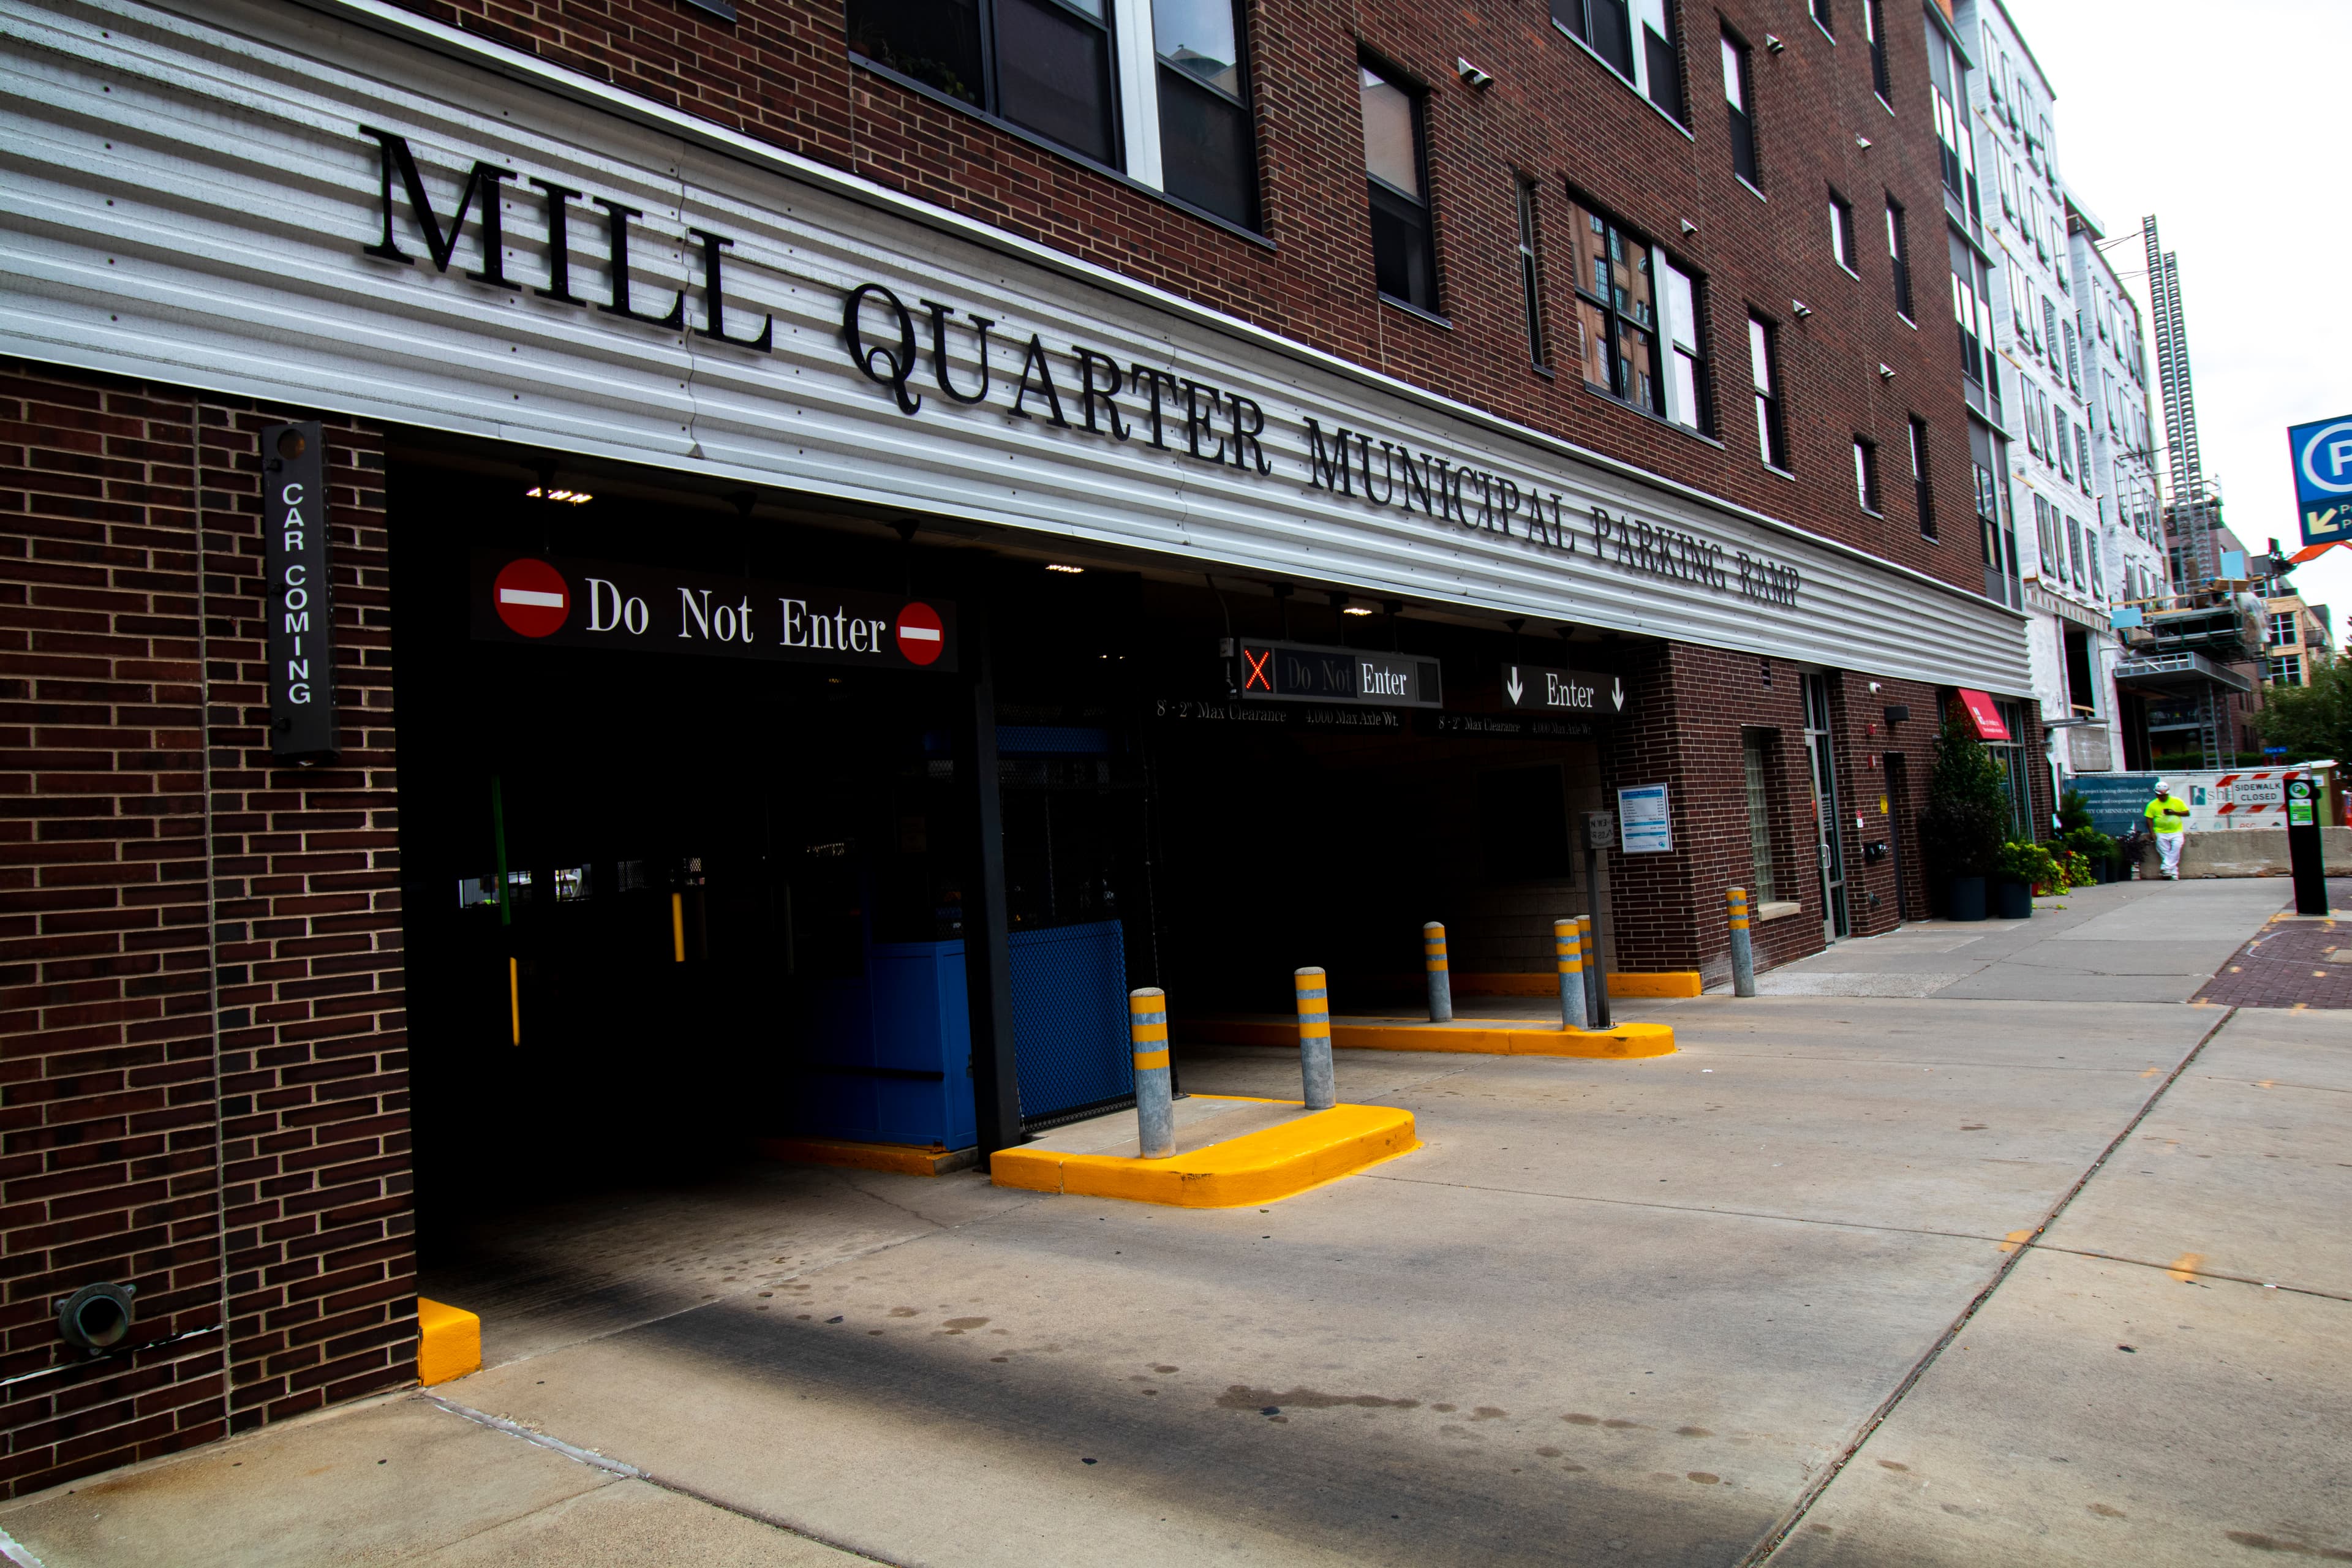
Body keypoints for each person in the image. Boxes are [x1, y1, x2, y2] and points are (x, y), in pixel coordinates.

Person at [2144, 778, 2192, 880]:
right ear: (2156, 795)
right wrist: (2152, 832)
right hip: (2161, 832)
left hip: (2176, 831)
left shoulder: (2177, 801)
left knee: (2176, 849)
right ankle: (2173, 874)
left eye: (2165, 795)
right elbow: (2149, 819)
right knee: (2165, 852)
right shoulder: (2152, 805)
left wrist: (2174, 812)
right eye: (2160, 795)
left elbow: (2187, 813)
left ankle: (2166, 868)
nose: (2163, 797)